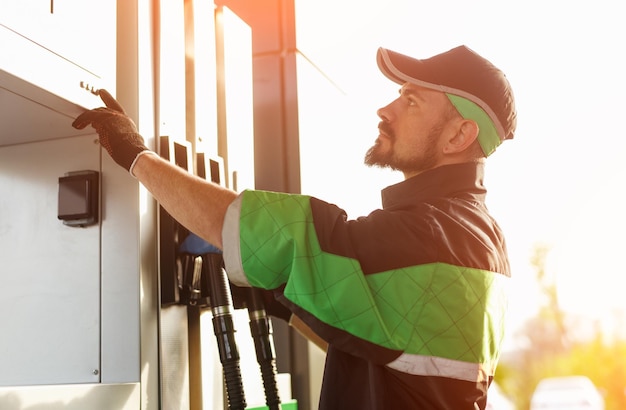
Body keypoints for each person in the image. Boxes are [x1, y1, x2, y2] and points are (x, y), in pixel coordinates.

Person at [72, 45, 517, 410]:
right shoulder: (479, 237)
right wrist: (278, 298)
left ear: (459, 135)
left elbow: (291, 237)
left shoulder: (434, 239)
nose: (386, 109)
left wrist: (136, 156)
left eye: (411, 100)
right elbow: (376, 342)